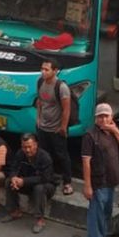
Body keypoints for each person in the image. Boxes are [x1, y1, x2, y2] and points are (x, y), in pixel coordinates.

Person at [81, 103, 119, 237]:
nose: (103, 119)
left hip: (111, 181)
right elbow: (86, 162)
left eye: (106, 116)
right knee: (95, 215)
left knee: (106, 213)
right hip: (98, 182)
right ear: (96, 118)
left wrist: (114, 130)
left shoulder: (112, 133)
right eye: (100, 116)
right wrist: (87, 185)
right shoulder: (90, 136)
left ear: (111, 117)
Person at [2, 132, 55, 234]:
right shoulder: (20, 154)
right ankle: (14, 211)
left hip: (46, 185)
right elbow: (13, 168)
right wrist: (14, 178)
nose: (27, 150)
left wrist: (24, 181)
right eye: (24, 147)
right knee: (9, 182)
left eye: (29, 147)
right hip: (26, 183)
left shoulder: (45, 157)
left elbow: (45, 178)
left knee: (39, 188)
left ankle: (40, 220)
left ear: (36, 145)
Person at [35, 59, 73, 195]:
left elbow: (66, 109)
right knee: (45, 155)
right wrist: (38, 119)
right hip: (43, 127)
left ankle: (68, 182)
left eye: (47, 69)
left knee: (62, 155)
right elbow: (39, 102)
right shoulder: (40, 82)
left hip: (57, 129)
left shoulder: (61, 87)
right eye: (42, 69)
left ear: (55, 71)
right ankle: (49, 179)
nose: (43, 72)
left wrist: (62, 127)